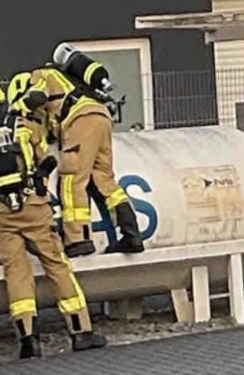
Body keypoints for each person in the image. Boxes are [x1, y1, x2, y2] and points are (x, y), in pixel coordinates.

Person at [0, 76, 107, 358]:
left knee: (16, 272)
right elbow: (42, 157)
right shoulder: (24, 127)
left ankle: (27, 339)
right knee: (57, 265)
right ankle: (80, 331)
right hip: (33, 205)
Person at [12, 45, 145, 257]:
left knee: (72, 181)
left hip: (80, 120)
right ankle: (132, 233)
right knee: (104, 179)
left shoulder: (43, 75)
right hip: (101, 117)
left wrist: (18, 107)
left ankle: (77, 240)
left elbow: (37, 96)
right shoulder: (74, 81)